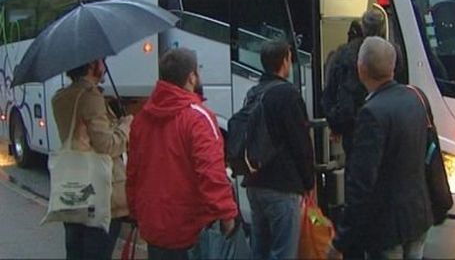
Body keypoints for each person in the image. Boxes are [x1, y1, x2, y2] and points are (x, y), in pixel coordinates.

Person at [327, 36, 433, 259]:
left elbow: (361, 184)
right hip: (418, 214)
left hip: (386, 226)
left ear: (361, 68)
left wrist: (340, 242)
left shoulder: (372, 113)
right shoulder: (416, 97)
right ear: (393, 67)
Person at [126, 48, 237, 260]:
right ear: (191, 77)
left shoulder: (141, 119)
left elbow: (133, 171)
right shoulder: (198, 118)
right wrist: (227, 215)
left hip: (154, 227)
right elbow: (211, 172)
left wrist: (134, 210)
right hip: (189, 229)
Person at [52, 58, 132, 260]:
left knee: (75, 252)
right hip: (98, 194)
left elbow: (82, 136)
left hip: (71, 191)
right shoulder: (91, 97)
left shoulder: (60, 97)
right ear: (91, 65)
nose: (104, 67)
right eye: (101, 61)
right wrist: (125, 126)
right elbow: (107, 145)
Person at [244, 39, 314, 260]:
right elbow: (300, 143)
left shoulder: (253, 93)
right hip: (283, 186)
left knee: (261, 250)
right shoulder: (288, 94)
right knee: (284, 252)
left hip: (255, 183)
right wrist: (309, 182)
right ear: (285, 61)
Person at [321, 9, 402, 160]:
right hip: (390, 126)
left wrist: (336, 124)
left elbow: (332, 92)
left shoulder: (345, 54)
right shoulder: (394, 52)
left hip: (354, 130)